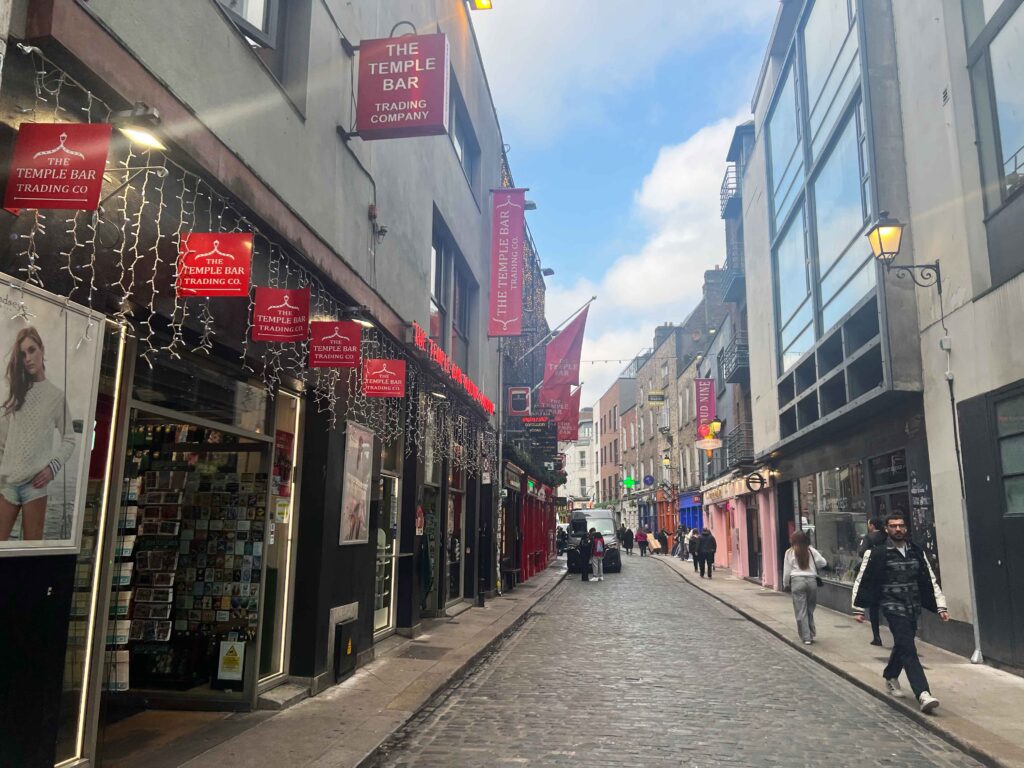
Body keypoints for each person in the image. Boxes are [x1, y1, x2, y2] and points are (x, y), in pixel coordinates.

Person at [852, 512, 949, 714]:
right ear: (886, 529)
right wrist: (859, 607)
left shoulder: (916, 551)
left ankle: (890, 675)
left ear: (906, 528)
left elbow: (929, 578)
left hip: (912, 605)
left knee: (903, 644)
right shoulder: (877, 553)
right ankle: (923, 693)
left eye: (901, 525)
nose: (898, 529)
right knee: (908, 647)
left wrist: (941, 604)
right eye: (893, 526)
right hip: (892, 605)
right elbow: (863, 579)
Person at [0, 327, 77, 541]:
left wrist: (52, 467)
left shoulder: (56, 396)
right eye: (23, 354)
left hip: (35, 485)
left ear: (41, 349)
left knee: (30, 553)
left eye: (32, 350)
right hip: (7, 484)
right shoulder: (15, 392)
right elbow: (2, 439)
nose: (28, 358)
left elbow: (69, 439)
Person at [782, 531, 828, 645]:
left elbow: (787, 571)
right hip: (811, 581)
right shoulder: (811, 551)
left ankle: (806, 637)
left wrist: (786, 584)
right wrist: (813, 566)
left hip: (797, 581)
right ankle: (811, 633)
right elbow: (823, 562)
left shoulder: (789, 552)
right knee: (810, 609)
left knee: (800, 610)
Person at [858, 517, 888, 646]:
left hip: (873, 575)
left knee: (874, 607)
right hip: (887, 573)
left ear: (871, 525)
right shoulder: (886, 536)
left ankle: (877, 637)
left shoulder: (868, 538)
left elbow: (861, 552)